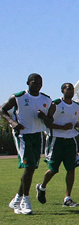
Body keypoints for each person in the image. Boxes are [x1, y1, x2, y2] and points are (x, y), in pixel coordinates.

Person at [2, 73, 52, 215]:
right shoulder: (18, 97)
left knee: (30, 169)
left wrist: (43, 117)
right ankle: (26, 200)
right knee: (29, 167)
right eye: (35, 82)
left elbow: (50, 121)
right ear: (28, 82)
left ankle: (17, 199)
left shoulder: (46, 99)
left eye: (40, 83)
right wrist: (12, 122)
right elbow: (2, 109)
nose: (38, 85)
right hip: (23, 135)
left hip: (38, 135)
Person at [35, 83, 79, 207]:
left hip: (70, 140)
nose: (71, 91)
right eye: (68, 89)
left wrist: (78, 124)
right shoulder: (55, 104)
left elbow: (73, 122)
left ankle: (67, 198)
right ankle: (42, 187)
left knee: (71, 168)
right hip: (56, 140)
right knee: (53, 169)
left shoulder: (77, 106)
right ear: (63, 90)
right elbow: (48, 123)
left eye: (72, 89)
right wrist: (62, 127)